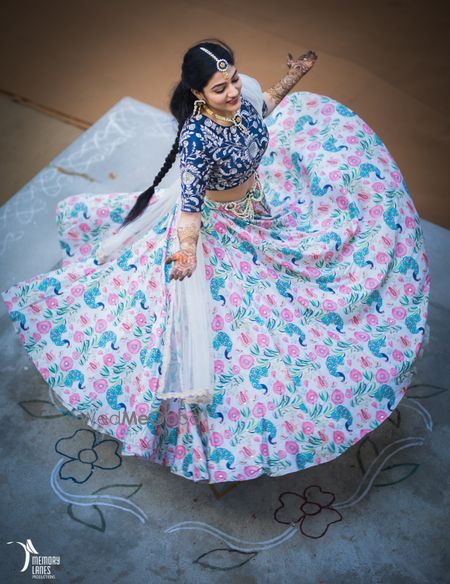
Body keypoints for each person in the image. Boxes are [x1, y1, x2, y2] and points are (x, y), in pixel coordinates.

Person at [1, 38, 430, 484]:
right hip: (218, 229)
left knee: (311, 279)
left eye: (234, 80)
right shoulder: (197, 142)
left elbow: (264, 104)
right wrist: (186, 251)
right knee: (241, 332)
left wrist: (293, 75)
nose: (232, 92)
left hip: (260, 213)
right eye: (220, 87)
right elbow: (189, 207)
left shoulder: (242, 103)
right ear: (197, 95)